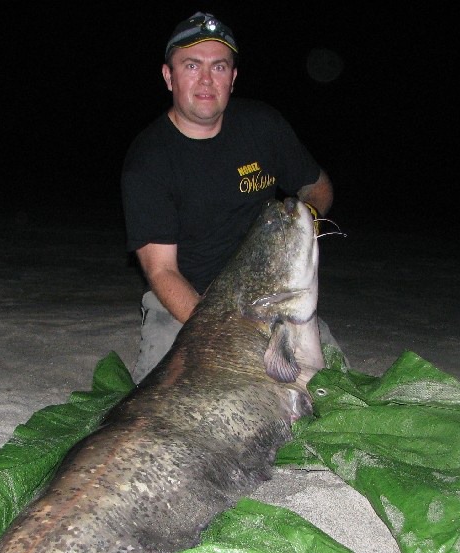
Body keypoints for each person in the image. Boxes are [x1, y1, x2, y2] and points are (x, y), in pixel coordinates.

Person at [121, 10, 337, 384]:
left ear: (233, 78)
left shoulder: (263, 126)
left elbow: (317, 188)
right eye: (192, 65)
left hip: (272, 295)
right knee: (163, 397)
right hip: (188, 301)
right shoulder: (149, 161)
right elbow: (162, 271)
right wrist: (225, 330)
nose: (206, 79)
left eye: (219, 67)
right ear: (168, 76)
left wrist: (302, 229)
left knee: (326, 389)